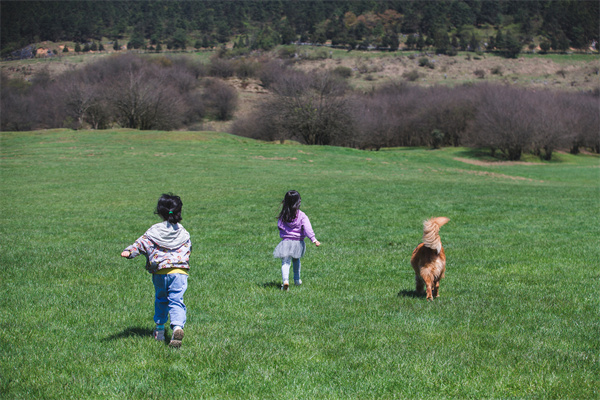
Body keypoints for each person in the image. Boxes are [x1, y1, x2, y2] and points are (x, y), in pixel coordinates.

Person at [121, 193, 191, 348]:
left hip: (160, 273)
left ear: (159, 211)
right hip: (179, 272)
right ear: (178, 211)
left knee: (161, 300)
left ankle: (159, 331)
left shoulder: (155, 231)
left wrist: (130, 252)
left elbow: (141, 244)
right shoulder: (183, 232)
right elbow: (188, 249)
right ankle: (177, 327)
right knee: (176, 301)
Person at [273, 190, 320, 290]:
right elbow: (307, 228)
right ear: (298, 202)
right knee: (296, 260)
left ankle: (285, 281)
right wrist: (313, 239)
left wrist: (285, 233)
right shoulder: (302, 215)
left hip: (286, 242)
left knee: (285, 262)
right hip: (298, 242)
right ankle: (297, 280)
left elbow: (280, 226)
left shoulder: (283, 215)